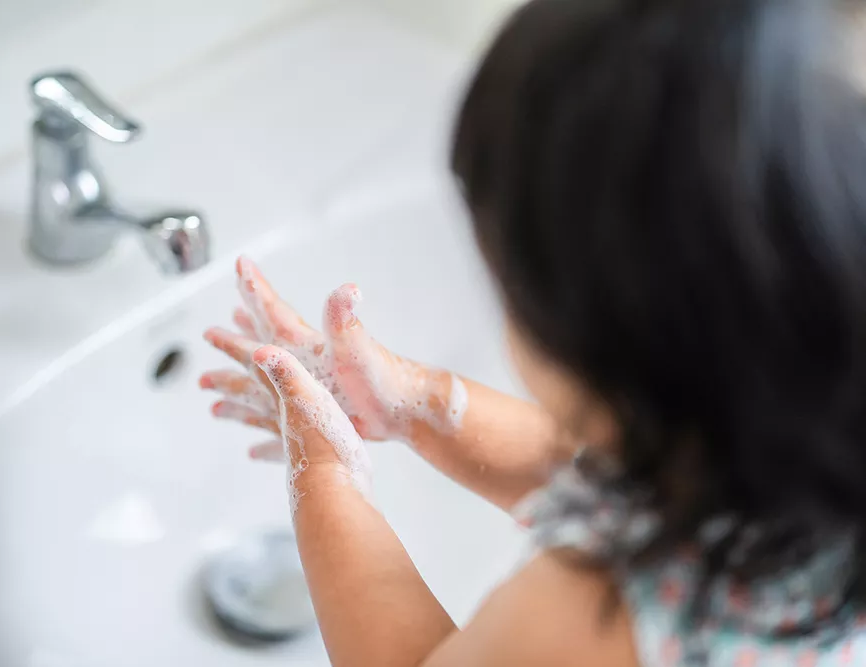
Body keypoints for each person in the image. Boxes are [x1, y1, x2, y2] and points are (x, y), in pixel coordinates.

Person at [199, 0, 866, 663]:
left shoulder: (585, 618)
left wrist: (322, 474)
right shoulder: (802, 477)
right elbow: (587, 477)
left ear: (592, 337)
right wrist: (416, 404)